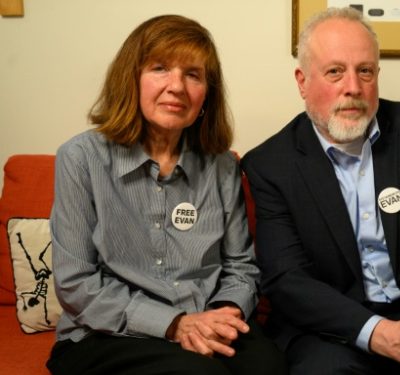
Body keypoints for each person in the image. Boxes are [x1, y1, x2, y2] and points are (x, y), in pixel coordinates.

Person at [241, 7, 400, 375]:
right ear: (302, 81)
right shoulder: (270, 164)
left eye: (365, 71)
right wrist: (383, 334)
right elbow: (287, 280)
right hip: (334, 331)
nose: (353, 87)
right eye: (334, 72)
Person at [46, 15, 286, 375]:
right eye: (160, 68)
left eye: (193, 74)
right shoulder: (80, 158)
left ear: (207, 94)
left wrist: (224, 314)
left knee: (271, 367)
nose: (177, 86)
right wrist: (174, 324)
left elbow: (240, 267)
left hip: (205, 318)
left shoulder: (221, 165)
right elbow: (77, 285)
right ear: (132, 79)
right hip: (107, 334)